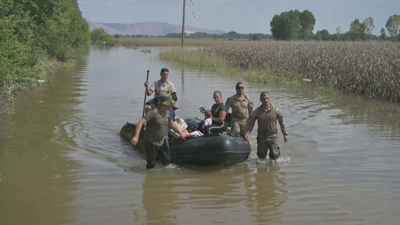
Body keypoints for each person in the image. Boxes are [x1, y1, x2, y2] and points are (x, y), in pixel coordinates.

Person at [131, 93, 185, 169]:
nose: (172, 104)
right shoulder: (153, 112)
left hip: (162, 141)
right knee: (151, 164)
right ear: (165, 104)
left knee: (167, 162)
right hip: (150, 141)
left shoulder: (167, 112)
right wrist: (136, 137)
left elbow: (171, 124)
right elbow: (141, 122)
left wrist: (180, 133)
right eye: (170, 103)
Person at [245, 91, 289, 160]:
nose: (266, 100)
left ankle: (273, 170)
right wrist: (248, 133)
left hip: (273, 136)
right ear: (260, 100)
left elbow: (282, 122)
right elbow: (251, 123)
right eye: (263, 99)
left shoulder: (276, 110)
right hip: (262, 137)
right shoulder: (256, 112)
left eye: (267, 98)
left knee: (275, 156)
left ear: (270, 99)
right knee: (261, 158)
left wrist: (285, 134)